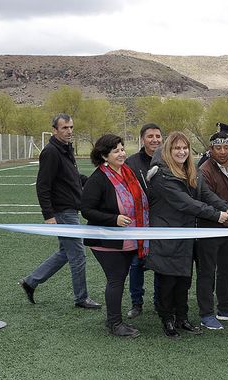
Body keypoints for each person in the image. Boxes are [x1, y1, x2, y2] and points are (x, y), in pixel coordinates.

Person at [146, 131, 228, 339]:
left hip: (186, 236)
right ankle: (167, 320)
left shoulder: (190, 170)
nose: (182, 151)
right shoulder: (161, 175)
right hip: (167, 236)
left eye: (185, 147)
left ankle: (182, 318)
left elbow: (205, 194)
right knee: (168, 281)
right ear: (168, 150)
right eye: (177, 148)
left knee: (183, 280)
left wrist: (225, 207)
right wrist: (217, 215)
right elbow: (187, 204)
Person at [19, 113, 100, 309]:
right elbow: (42, 185)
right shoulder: (51, 152)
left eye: (71, 127)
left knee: (66, 252)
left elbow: (73, 176)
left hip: (71, 208)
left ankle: (31, 281)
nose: (69, 131)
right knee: (78, 254)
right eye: (65, 128)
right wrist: (48, 215)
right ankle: (81, 298)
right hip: (63, 212)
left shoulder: (65, 149)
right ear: (55, 130)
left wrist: (94, 182)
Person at [81, 134, 148, 338]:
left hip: (128, 239)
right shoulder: (98, 178)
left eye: (122, 149)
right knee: (116, 279)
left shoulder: (127, 172)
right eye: (116, 151)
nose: (121, 153)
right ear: (104, 156)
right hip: (106, 241)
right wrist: (114, 219)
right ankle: (114, 323)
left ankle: (114, 320)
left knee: (119, 278)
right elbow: (86, 210)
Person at [196, 132, 228, 330]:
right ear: (211, 149)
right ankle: (206, 313)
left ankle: (225, 307)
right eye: (218, 148)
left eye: (227, 147)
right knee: (207, 271)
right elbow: (206, 196)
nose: (223, 152)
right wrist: (224, 210)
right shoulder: (204, 170)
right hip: (210, 227)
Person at [124, 123, 162, 319]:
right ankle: (136, 302)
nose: (154, 139)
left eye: (157, 136)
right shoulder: (131, 163)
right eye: (150, 136)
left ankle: (158, 302)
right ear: (142, 139)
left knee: (160, 262)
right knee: (137, 263)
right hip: (139, 222)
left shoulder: (167, 160)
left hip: (162, 220)